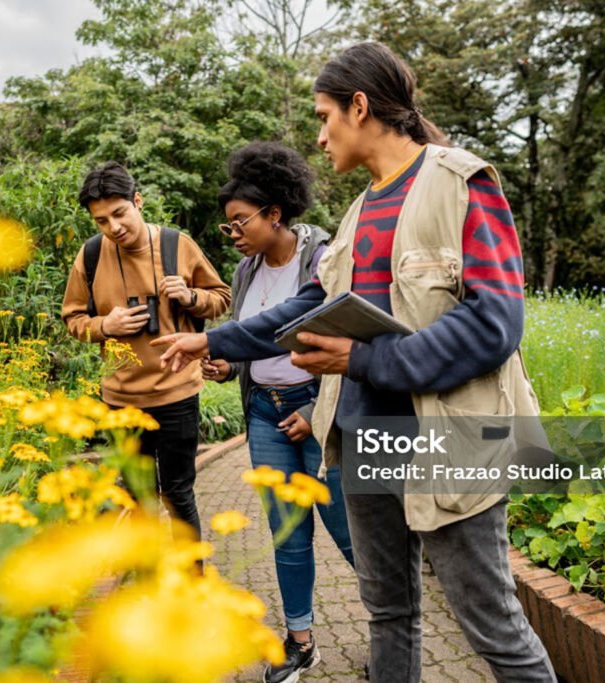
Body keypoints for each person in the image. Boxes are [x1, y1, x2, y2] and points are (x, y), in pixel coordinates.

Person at [154, 43, 556, 682]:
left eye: (323, 116)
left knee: (493, 627)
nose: (318, 136)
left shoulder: (460, 184)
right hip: (364, 436)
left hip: (449, 442)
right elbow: (311, 304)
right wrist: (214, 341)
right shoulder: (358, 211)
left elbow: (494, 325)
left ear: (360, 107)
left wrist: (364, 357)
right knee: (388, 612)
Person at [202, 141, 355, 683]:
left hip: (318, 411)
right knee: (288, 533)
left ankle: (393, 627)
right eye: (229, 227)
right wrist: (227, 365)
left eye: (241, 222)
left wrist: (314, 407)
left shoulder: (323, 259)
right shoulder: (247, 271)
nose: (235, 234)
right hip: (265, 415)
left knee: (347, 531)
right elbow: (255, 338)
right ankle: (301, 642)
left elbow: (343, 335)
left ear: (275, 213)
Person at [62, 161, 231, 539]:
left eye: (119, 214)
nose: (114, 227)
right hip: (121, 402)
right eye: (101, 221)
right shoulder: (89, 256)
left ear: (137, 201)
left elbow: (222, 298)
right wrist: (106, 325)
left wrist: (190, 296)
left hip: (176, 394)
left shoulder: (176, 245)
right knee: (139, 502)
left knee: (178, 496)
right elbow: (72, 318)